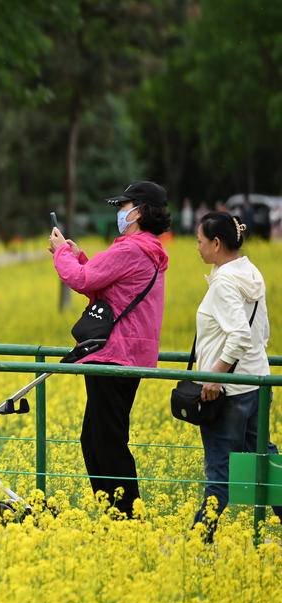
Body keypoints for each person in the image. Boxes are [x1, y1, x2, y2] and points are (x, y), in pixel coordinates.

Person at [48, 180, 170, 518]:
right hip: (128, 354)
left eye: (123, 206)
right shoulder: (146, 250)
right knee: (98, 439)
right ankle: (115, 513)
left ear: (139, 212)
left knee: (106, 441)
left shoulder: (131, 249)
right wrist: (78, 256)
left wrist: (61, 253)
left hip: (115, 354)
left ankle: (126, 516)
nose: (120, 212)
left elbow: (83, 280)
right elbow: (106, 285)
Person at [190, 212, 282, 539]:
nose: (197, 247)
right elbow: (263, 333)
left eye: (200, 241)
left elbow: (239, 336)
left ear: (216, 243)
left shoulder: (225, 284)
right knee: (265, 463)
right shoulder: (250, 273)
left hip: (228, 393)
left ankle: (198, 542)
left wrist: (214, 377)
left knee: (219, 473)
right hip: (257, 383)